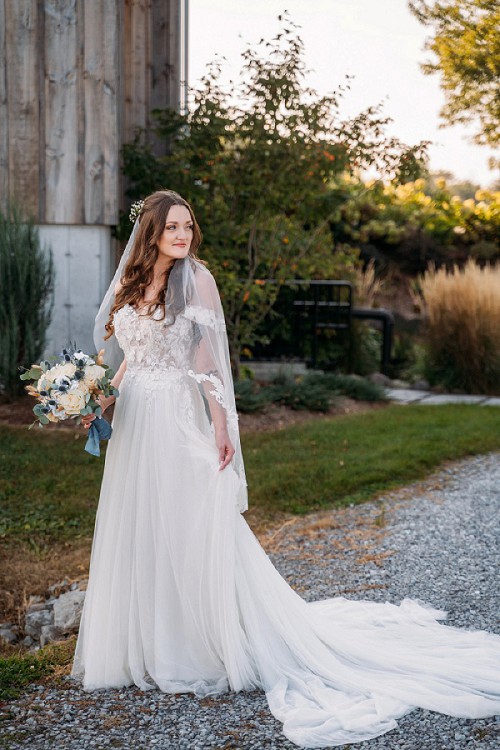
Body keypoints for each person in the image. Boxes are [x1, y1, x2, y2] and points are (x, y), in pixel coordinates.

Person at [70, 189, 500, 748]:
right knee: (142, 529)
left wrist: (221, 426)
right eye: (172, 227)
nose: (182, 235)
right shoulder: (132, 283)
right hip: (133, 422)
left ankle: (205, 641)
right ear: (150, 232)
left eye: (187, 226)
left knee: (192, 522)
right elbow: (131, 360)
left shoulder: (196, 279)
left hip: (176, 416)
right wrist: (97, 403)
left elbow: (206, 359)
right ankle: (145, 644)